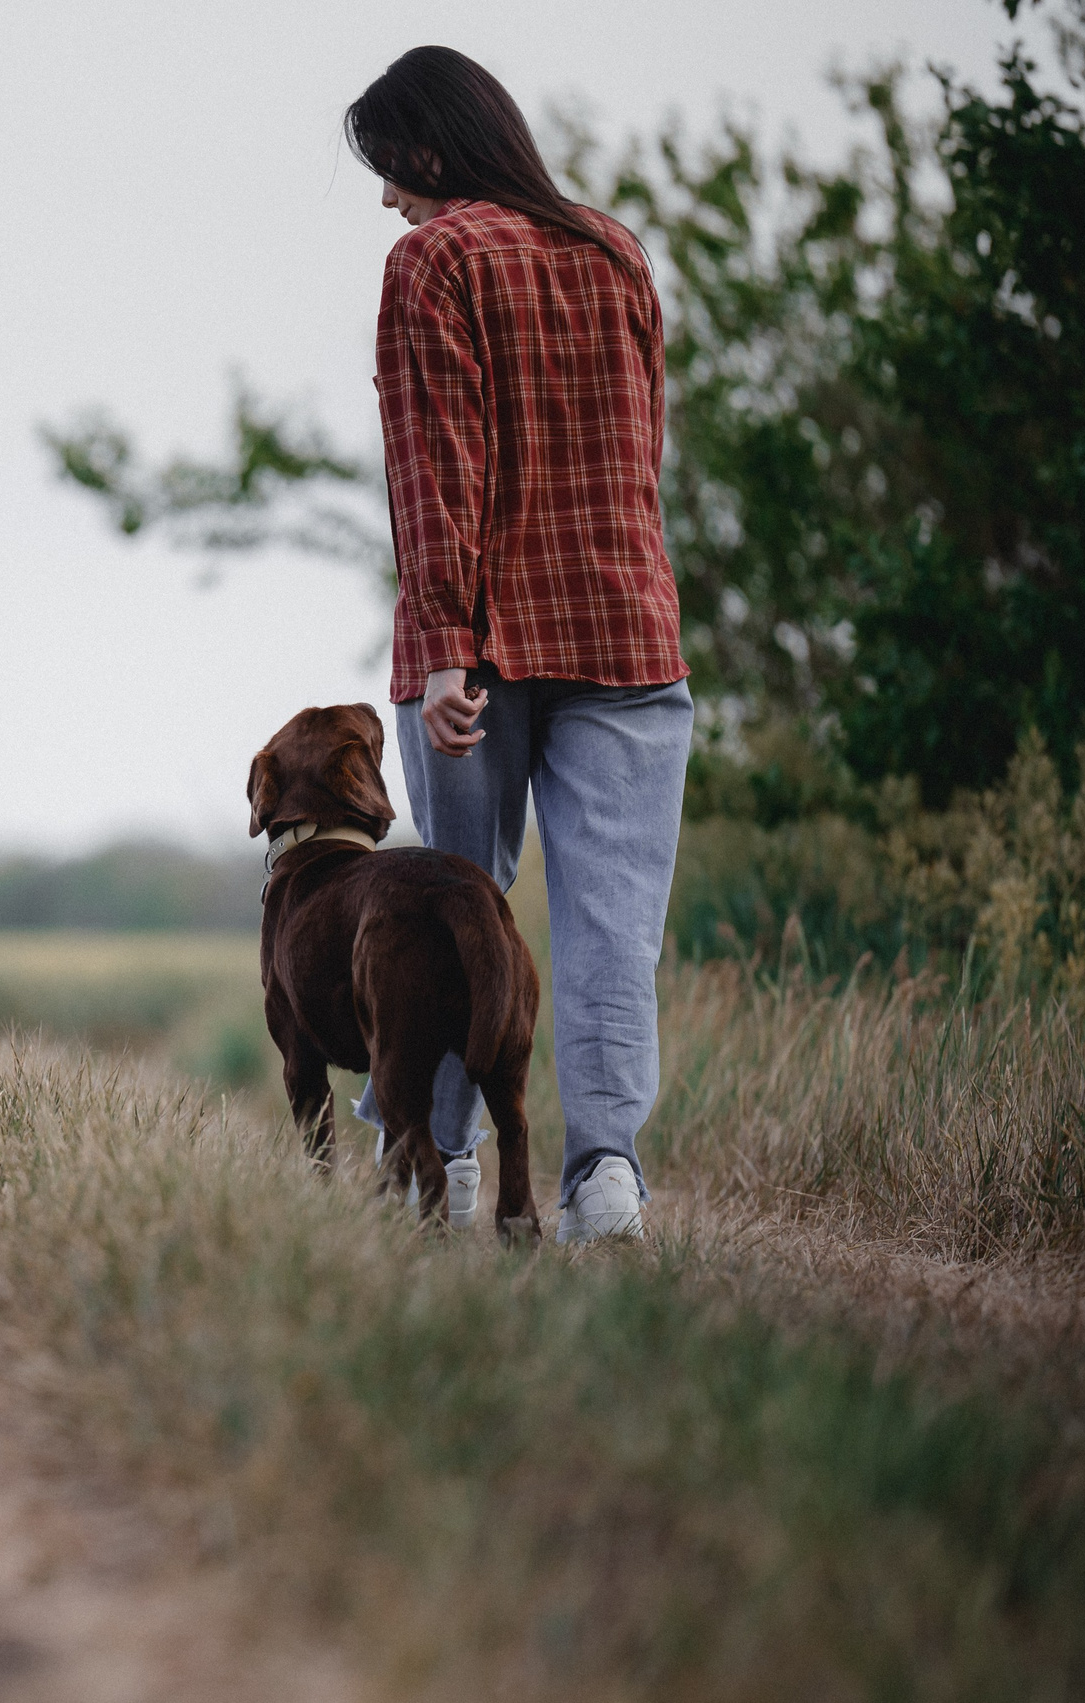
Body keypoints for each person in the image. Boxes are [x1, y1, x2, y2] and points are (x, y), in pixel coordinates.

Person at [341, 46, 692, 1243]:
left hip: (480, 652)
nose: (387, 194)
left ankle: (431, 1161)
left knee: (451, 913)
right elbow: (640, 457)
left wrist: (444, 646)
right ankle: (605, 1178)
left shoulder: (430, 260)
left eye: (389, 166)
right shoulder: (616, 249)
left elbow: (436, 469)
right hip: (627, 634)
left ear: (430, 148)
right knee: (612, 928)